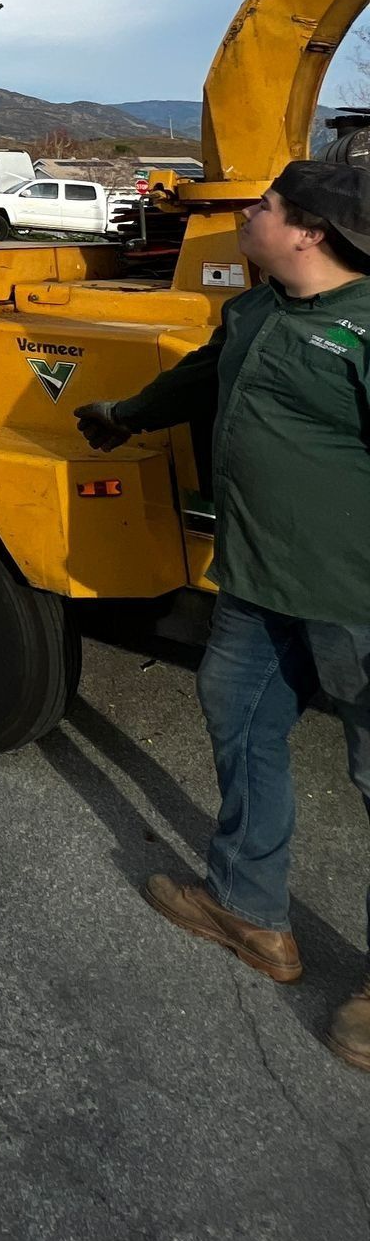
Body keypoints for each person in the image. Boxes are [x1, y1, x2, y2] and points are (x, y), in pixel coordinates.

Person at [76, 160, 370, 1066]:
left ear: (311, 230)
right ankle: (250, 913)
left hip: (353, 598)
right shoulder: (254, 311)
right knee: (241, 728)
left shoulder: (361, 333)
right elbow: (204, 380)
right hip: (252, 583)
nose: (250, 211)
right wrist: (122, 415)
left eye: (268, 205)